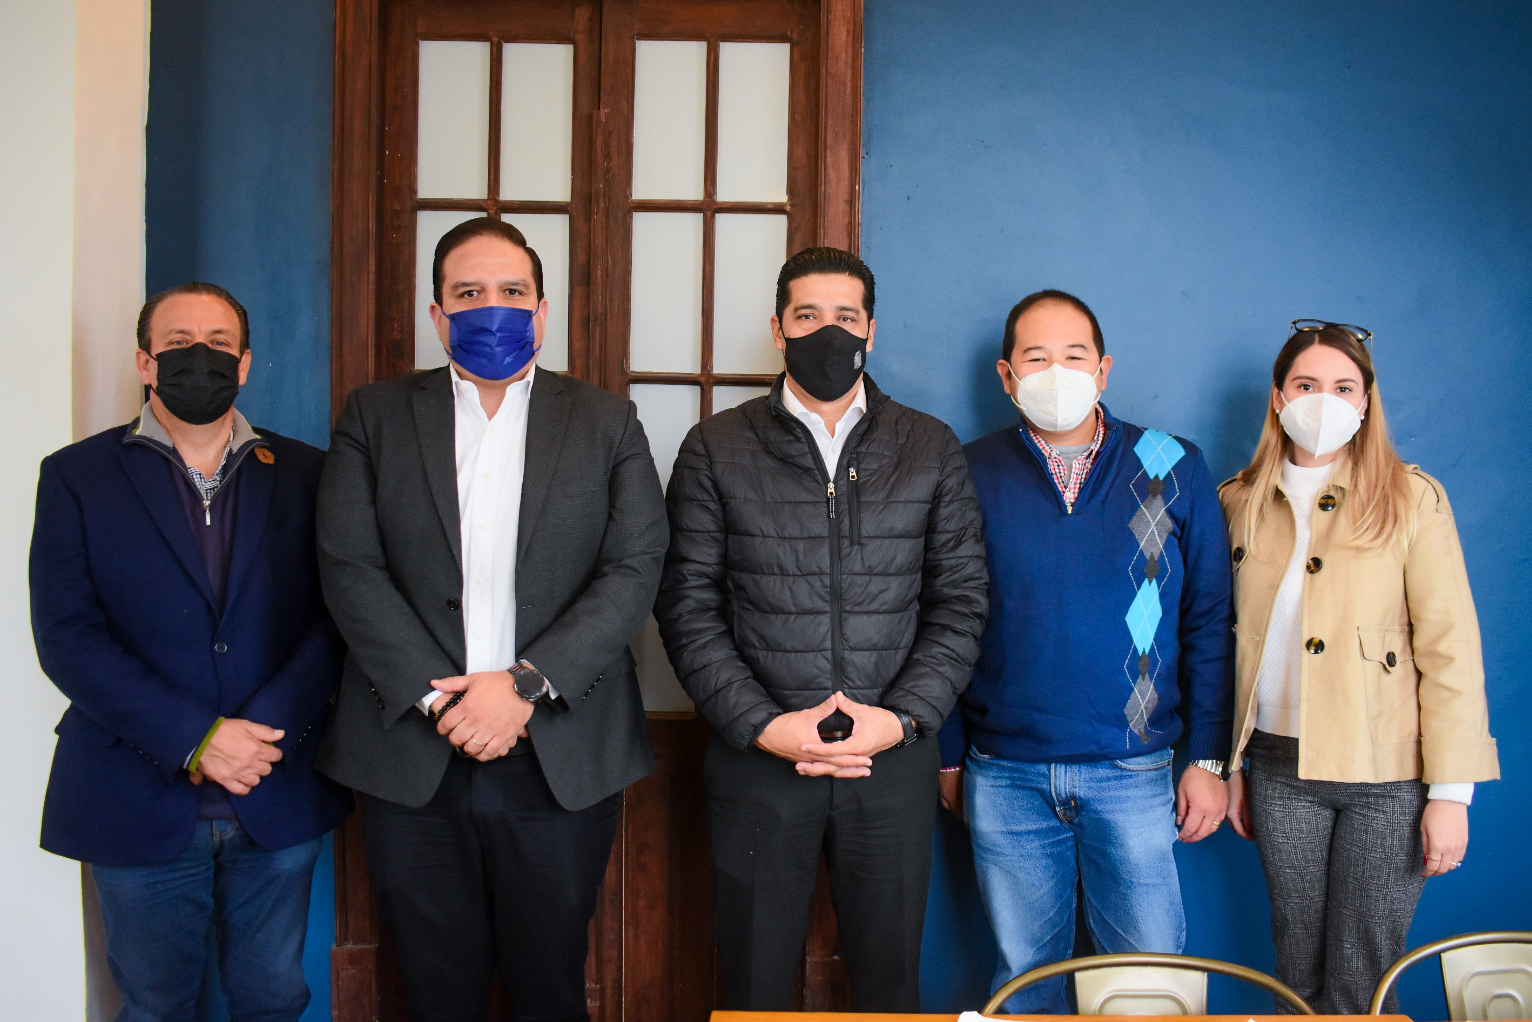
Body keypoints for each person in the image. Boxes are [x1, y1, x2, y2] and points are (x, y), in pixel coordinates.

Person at [315, 217, 667, 1022]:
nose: (491, 308)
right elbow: (349, 567)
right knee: (436, 990)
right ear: (437, 315)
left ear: (541, 311)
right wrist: (444, 701)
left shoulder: (606, 421)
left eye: (511, 292)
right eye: (468, 293)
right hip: (413, 751)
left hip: (559, 752)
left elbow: (635, 567)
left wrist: (521, 688)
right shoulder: (374, 416)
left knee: (550, 988)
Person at [655, 246, 988, 1012]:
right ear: (778, 329)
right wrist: (762, 724)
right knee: (753, 990)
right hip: (759, 760)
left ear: (871, 328)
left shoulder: (928, 445)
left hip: (889, 762)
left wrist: (899, 720)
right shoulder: (715, 446)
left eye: (845, 316)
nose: (827, 332)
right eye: (807, 316)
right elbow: (686, 605)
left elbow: (961, 602)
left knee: (889, 989)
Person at [29, 282, 352, 1022]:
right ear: (145, 362)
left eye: (217, 343)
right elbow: (68, 638)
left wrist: (258, 737)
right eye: (177, 344)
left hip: (276, 783)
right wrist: (198, 738)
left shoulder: (310, 474)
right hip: (132, 790)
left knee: (274, 998)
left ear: (245, 364)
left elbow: (337, 618)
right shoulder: (76, 476)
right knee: (155, 1006)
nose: (198, 357)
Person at [938, 289, 1234, 1014]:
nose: (1057, 372)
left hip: (1134, 769)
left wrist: (1207, 759)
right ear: (1007, 375)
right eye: (1036, 357)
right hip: (1003, 774)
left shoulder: (1173, 463)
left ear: (1103, 369)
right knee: (1023, 981)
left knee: (1150, 985)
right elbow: (941, 621)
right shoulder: (967, 472)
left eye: (1074, 356)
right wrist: (947, 755)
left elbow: (1209, 621)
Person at [1219, 321, 1498, 1014]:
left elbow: (1451, 648)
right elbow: (1221, 645)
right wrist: (1228, 766)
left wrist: (1451, 794)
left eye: (1344, 387)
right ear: (1278, 397)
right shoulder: (1237, 501)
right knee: (1296, 970)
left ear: (1367, 401)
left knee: (1362, 977)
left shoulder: (1411, 497)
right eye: (1306, 384)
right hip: (1279, 769)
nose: (1324, 400)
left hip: (1389, 775)